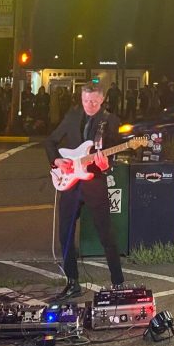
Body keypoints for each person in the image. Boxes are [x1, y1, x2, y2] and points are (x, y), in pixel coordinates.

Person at [43, 82, 124, 301]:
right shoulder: (72, 116)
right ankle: (72, 282)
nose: (90, 105)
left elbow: (113, 152)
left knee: (106, 234)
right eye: (86, 100)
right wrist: (57, 161)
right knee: (65, 234)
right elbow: (50, 141)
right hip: (70, 182)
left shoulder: (110, 121)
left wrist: (107, 164)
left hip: (94, 182)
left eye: (94, 101)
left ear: (102, 100)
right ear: (81, 99)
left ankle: (118, 282)